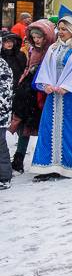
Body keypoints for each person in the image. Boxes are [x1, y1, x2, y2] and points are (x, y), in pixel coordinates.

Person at [30, 6, 72, 181]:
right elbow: (46, 67)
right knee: (50, 129)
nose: (60, 32)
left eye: (64, 29)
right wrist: (46, 84)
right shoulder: (54, 48)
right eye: (59, 29)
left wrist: (67, 86)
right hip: (54, 96)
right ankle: (50, 165)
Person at [9, 19, 55, 173]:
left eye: (39, 37)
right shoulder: (32, 50)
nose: (36, 40)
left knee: (45, 126)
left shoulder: (52, 50)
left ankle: (46, 159)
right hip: (28, 93)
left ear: (46, 36)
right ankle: (18, 159)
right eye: (34, 37)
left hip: (44, 94)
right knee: (25, 125)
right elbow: (28, 68)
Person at [0, 55, 13, 189]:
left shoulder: (2, 65)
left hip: (1, 114)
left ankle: (4, 177)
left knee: (0, 145)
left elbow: (5, 91)